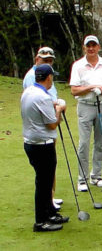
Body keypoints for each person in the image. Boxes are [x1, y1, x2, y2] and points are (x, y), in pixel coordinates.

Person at [21, 64, 69, 232]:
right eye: (52, 77)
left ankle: (50, 213)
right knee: (44, 183)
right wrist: (59, 109)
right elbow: (52, 124)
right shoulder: (43, 97)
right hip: (42, 145)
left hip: (31, 143)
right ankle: (41, 221)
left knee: (46, 181)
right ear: (48, 77)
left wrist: (53, 104)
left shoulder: (28, 92)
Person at [69, 35, 102, 192]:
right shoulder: (78, 66)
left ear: (98, 47)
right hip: (85, 106)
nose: (91, 48)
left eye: (93, 45)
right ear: (84, 48)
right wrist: (91, 88)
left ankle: (96, 176)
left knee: (100, 142)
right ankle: (82, 179)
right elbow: (74, 90)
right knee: (83, 143)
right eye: (88, 46)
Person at [22, 46, 63, 210]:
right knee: (44, 174)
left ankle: (49, 201)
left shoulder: (34, 87)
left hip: (35, 135)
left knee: (45, 174)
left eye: (50, 60)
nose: (48, 63)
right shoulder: (33, 79)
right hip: (41, 134)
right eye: (44, 60)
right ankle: (47, 207)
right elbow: (52, 123)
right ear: (36, 59)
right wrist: (59, 109)